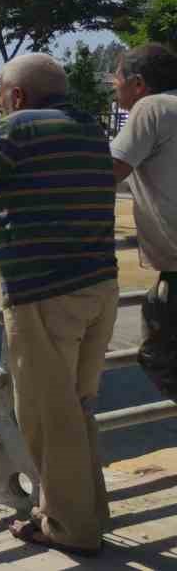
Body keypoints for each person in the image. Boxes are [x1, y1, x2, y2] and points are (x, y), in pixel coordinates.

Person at [0, 53, 119, 557]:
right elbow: (48, 183)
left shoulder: (19, 127)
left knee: (47, 416)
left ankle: (71, 529)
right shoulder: (88, 127)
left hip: (45, 293)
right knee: (77, 411)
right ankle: (84, 513)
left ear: (17, 96)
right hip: (98, 287)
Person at [109, 44, 177, 398]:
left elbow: (108, 171)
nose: (113, 86)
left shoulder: (152, 107)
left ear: (137, 83)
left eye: (116, 79)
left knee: (158, 354)